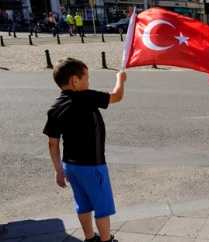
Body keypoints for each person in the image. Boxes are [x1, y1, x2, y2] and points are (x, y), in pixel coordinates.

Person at [43, 58, 127, 242]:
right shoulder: (86, 97)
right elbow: (117, 96)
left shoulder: (55, 107)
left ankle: (89, 238)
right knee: (102, 207)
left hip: (70, 166)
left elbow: (53, 143)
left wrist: (58, 170)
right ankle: (106, 239)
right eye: (86, 78)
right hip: (93, 166)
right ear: (75, 80)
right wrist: (120, 78)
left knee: (83, 203)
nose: (88, 82)